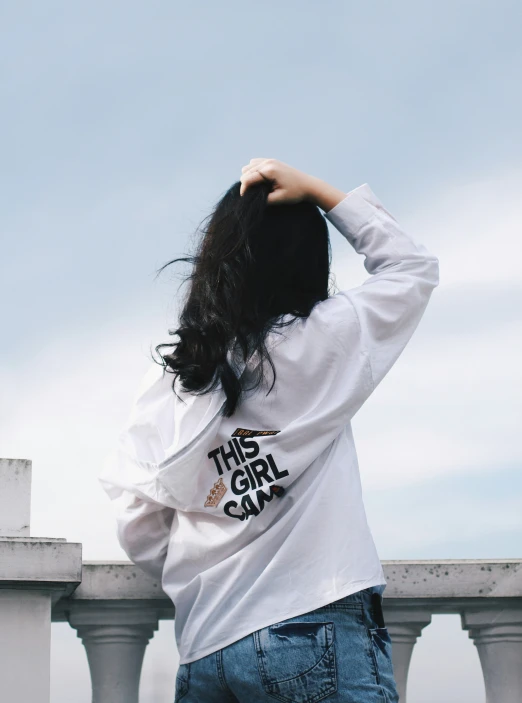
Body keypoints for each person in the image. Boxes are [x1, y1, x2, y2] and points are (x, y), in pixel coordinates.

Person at [98, 158, 439, 702]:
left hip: (207, 646)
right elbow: (412, 267)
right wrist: (321, 193)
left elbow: (137, 520)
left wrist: (214, 554)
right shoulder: (325, 339)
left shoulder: (170, 381)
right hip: (313, 618)